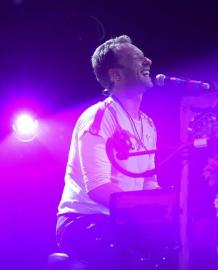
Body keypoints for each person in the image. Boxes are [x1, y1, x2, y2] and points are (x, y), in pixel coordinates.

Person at [55, 35, 160, 269]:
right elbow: (98, 188)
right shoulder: (99, 117)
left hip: (124, 220)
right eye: (137, 58)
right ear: (116, 75)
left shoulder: (149, 125)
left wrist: (166, 208)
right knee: (125, 253)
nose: (148, 61)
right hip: (82, 222)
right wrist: (144, 213)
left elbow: (149, 184)